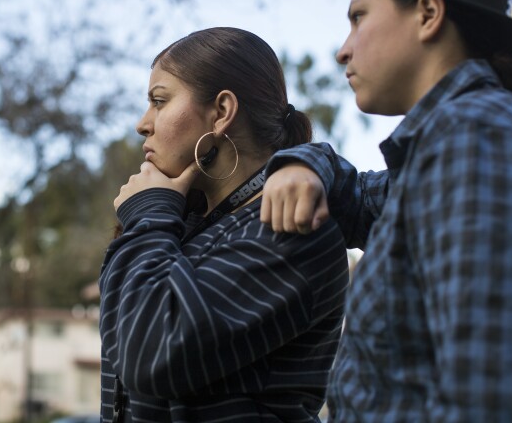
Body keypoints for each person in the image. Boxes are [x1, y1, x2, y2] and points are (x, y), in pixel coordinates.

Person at [260, 0, 512, 422]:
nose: (343, 50)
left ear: (428, 14)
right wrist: (304, 162)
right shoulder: (448, 145)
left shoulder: (473, 136)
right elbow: (362, 197)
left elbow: (491, 395)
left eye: (358, 17)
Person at [98, 27, 349, 423]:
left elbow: (152, 355)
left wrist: (147, 214)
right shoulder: (182, 227)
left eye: (159, 101)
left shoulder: (290, 228)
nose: (142, 124)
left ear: (221, 112)